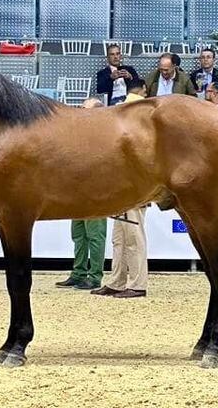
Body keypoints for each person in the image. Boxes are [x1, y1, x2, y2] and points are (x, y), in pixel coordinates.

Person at [92, 87, 149, 299]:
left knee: (134, 238)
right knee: (119, 239)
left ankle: (137, 283)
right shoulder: (127, 136)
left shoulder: (143, 137)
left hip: (134, 193)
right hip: (120, 193)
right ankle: (117, 281)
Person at [56, 98, 107, 290]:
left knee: (95, 235)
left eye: (83, 108)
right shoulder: (78, 135)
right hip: (77, 191)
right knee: (78, 235)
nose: (79, 110)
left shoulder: (102, 137)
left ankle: (94, 276)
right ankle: (78, 272)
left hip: (95, 192)